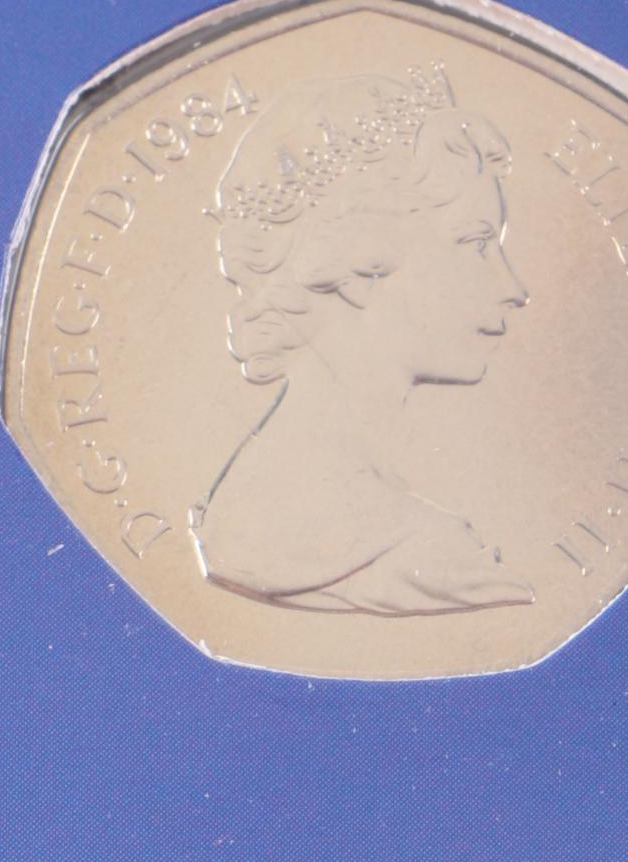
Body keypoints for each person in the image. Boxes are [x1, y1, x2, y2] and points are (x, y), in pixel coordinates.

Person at [196, 63, 533, 616]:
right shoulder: (432, 561)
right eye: (476, 244)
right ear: (360, 263)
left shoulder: (249, 509)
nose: (514, 288)